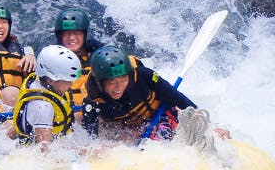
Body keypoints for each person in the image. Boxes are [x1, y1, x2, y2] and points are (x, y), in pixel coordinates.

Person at [82, 45, 227, 152]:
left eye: (123, 79)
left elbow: (179, 99)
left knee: (158, 144)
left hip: (160, 116)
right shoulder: (92, 103)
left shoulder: (144, 76)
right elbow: (92, 140)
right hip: (129, 129)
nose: (119, 87)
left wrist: (210, 126)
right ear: (100, 83)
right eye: (111, 82)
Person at [11, 45, 82, 150]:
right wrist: (84, 151)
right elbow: (45, 152)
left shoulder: (38, 81)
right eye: (67, 80)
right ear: (50, 80)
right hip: (30, 153)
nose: (71, 84)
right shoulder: (43, 107)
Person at [0, 3, 36, 108]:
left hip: (19, 103)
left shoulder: (20, 49)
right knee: (11, 93)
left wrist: (30, 55)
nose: (0, 26)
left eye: (4, 22)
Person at [54, 8, 104, 107]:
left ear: (85, 34)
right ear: (60, 36)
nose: (71, 37)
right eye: (66, 33)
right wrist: (30, 54)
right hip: (67, 115)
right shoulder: (51, 58)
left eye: (77, 32)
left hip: (93, 114)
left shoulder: (100, 56)